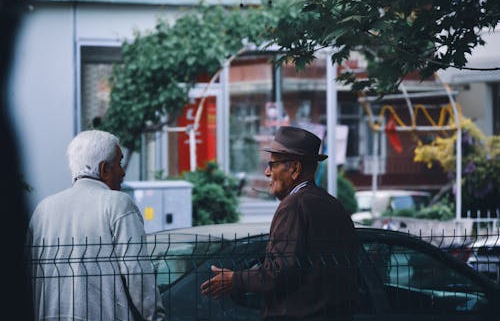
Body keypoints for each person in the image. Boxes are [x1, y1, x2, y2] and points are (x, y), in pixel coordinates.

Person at [201, 126, 359, 321]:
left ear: (294, 168)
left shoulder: (294, 205)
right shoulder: (333, 205)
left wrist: (236, 279)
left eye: (272, 164)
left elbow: (281, 271)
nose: (267, 172)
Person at [27, 130, 166, 320]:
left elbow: (26, 274)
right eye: (119, 163)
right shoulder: (118, 203)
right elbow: (136, 271)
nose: (123, 171)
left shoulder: (42, 210)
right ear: (104, 169)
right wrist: (155, 317)